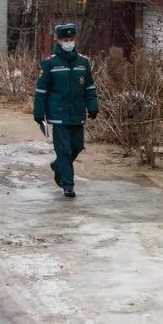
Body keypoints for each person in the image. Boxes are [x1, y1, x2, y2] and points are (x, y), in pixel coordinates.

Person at [33, 23, 98, 199]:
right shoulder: (50, 63)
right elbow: (41, 90)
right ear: (58, 40)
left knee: (77, 146)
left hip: (77, 113)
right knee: (63, 150)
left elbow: (89, 87)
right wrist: (39, 113)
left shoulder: (83, 62)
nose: (69, 42)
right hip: (58, 113)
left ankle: (58, 166)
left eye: (71, 39)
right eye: (65, 40)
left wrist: (92, 107)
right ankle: (68, 185)